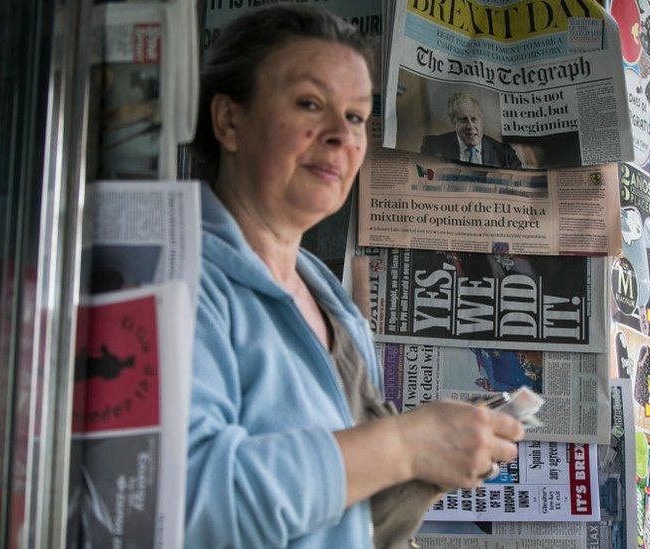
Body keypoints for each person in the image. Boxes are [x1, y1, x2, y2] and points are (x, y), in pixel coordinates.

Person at [186, 5, 525, 548]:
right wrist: (404, 446)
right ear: (229, 120)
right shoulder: (182, 280)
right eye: (309, 104)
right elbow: (186, 508)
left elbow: (347, 518)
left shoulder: (322, 291)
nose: (341, 136)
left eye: (356, 117)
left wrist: (432, 461)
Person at [420, 92, 522, 168]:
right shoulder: (433, 146)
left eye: (474, 119)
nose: (470, 126)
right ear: (453, 122)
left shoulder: (505, 153)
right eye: (463, 120)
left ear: (482, 121)